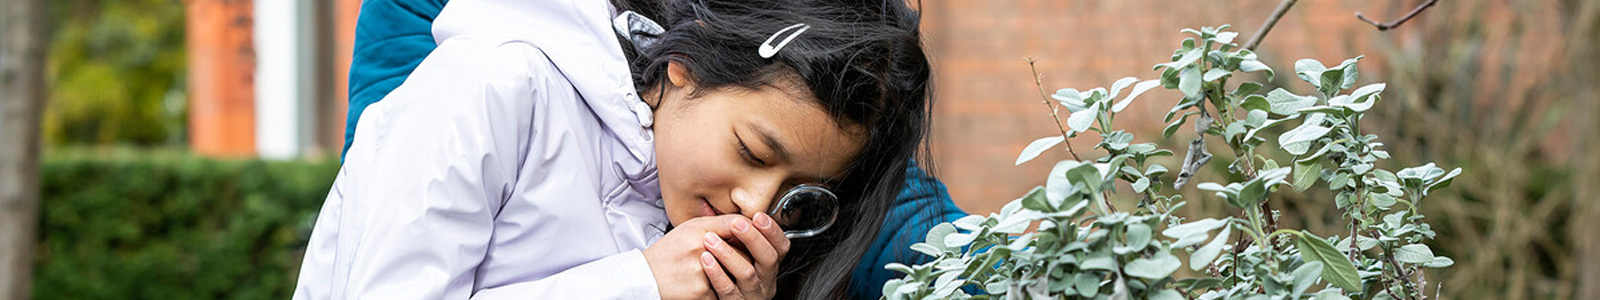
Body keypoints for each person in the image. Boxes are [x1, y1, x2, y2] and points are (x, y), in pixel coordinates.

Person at [301, 0, 963, 299]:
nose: (759, 205)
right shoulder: (490, 87)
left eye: (795, 197)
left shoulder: (672, 188)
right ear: (686, 68)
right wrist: (639, 283)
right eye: (755, 153)